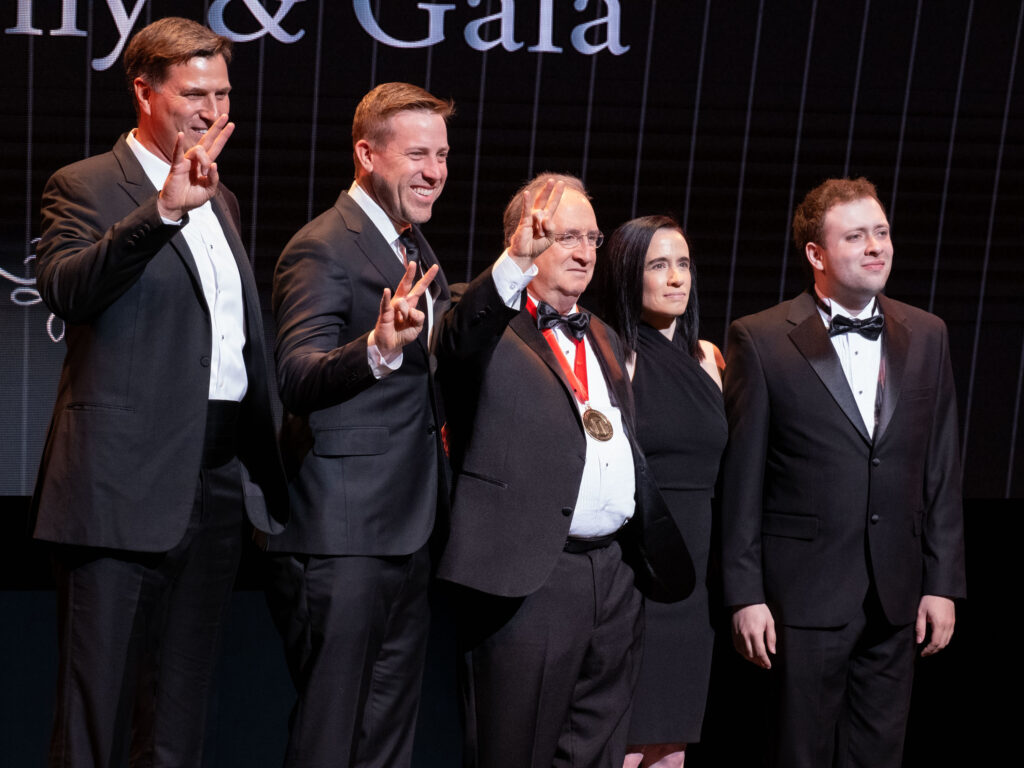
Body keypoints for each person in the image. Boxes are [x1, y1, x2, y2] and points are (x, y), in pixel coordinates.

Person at [31, 17, 287, 767]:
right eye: (194, 94)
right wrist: (164, 211)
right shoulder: (85, 184)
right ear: (144, 92)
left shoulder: (227, 201)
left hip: (211, 488)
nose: (212, 111)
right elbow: (68, 290)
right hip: (116, 491)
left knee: (178, 721)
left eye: (223, 94)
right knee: (94, 719)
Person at [436, 174, 693, 768]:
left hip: (614, 576)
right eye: (566, 237)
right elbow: (457, 343)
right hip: (529, 578)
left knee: (596, 753)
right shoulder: (478, 316)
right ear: (524, 238)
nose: (584, 252)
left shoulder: (601, 332)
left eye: (593, 239)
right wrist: (513, 263)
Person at [720, 177, 966, 768]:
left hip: (897, 592)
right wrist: (744, 593)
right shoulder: (761, 339)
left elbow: (942, 467)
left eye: (880, 232)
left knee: (879, 753)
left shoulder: (927, 334)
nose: (876, 246)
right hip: (800, 596)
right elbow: (742, 481)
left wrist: (943, 581)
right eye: (856, 236)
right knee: (796, 753)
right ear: (817, 254)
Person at [266, 82, 452, 768]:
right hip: (339, 536)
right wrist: (376, 351)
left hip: (407, 531)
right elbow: (297, 376)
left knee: (386, 745)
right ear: (367, 154)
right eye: (418, 155)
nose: (435, 171)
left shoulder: (416, 248)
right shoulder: (322, 247)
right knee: (330, 739)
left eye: (443, 155)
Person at [596, 216, 726, 768]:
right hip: (638, 569)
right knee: (625, 743)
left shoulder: (711, 359)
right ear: (629, 275)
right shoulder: (615, 355)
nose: (676, 279)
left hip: (697, 580)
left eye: (683, 264)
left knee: (671, 748)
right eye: (657, 265)